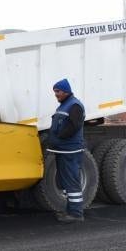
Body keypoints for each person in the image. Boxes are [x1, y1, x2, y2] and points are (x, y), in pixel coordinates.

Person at [47, 78, 86, 224]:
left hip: (70, 150)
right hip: (63, 150)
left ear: (66, 91)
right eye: (55, 92)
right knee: (64, 182)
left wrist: (59, 136)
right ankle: (70, 211)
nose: (56, 94)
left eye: (58, 91)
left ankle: (76, 214)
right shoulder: (64, 105)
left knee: (71, 182)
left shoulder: (74, 105)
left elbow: (74, 126)